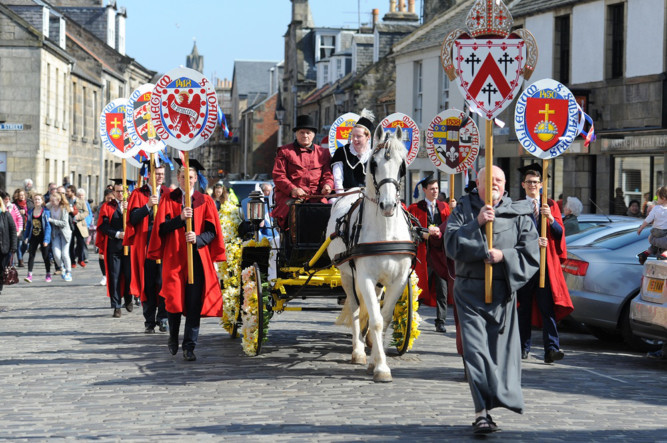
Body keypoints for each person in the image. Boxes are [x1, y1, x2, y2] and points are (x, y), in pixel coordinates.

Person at [444, 165, 539, 434]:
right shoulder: (464, 208)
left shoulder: (518, 212)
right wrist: (477, 224)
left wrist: (504, 256)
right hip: (469, 291)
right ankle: (481, 413)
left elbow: (531, 253)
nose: (495, 184)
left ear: (505, 184)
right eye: (489, 180)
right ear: (478, 182)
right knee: (476, 353)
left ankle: (494, 401)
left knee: (498, 357)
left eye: (499, 180)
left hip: (503, 293)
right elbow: (451, 244)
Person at [148, 160, 226, 361]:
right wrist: (180, 219)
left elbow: (212, 232)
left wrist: (198, 239)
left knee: (193, 302)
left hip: (196, 258)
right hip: (174, 257)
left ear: (195, 179)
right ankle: (173, 337)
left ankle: (189, 346)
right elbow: (161, 229)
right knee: (173, 300)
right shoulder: (168, 199)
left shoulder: (204, 200)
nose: (187, 181)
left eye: (190, 177)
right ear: (178, 178)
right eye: (183, 177)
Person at [516, 166, 573, 364]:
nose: (533, 185)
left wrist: (549, 218)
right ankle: (523, 347)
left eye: (536, 182)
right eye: (529, 182)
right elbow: (513, 236)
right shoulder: (517, 206)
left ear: (541, 185)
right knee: (523, 309)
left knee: (547, 308)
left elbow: (559, 233)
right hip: (525, 264)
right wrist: (532, 243)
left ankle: (551, 348)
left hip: (545, 266)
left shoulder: (549, 205)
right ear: (523, 185)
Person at [124, 163, 169, 333]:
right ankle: (149, 320)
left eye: (162, 174)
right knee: (148, 284)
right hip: (146, 245)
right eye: (157, 173)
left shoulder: (168, 193)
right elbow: (132, 218)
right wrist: (148, 206)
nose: (160, 177)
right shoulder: (138, 193)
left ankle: (163, 317)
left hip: (164, 245)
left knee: (163, 282)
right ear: (149, 174)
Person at [272, 114, 333, 229]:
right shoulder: (285, 151)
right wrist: (293, 189)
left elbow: (327, 174)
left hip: (316, 197)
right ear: (296, 134)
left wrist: (327, 185)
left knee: (329, 214)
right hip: (291, 197)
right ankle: (293, 242)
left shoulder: (323, 153)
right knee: (294, 213)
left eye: (308, 133)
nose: (305, 135)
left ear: (313, 135)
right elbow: (279, 176)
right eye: (302, 132)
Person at [408, 176, 452, 332]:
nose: (435, 192)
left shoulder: (445, 207)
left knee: (442, 288)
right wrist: (423, 235)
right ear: (424, 190)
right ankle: (411, 317)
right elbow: (411, 229)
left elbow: (451, 227)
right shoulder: (415, 208)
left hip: (439, 253)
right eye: (432, 189)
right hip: (422, 253)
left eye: (437, 189)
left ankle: (441, 320)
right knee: (418, 286)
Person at [98, 181, 132, 317]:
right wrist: (117, 234)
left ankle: (129, 298)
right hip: (114, 246)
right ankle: (116, 305)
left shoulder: (131, 205)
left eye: (122, 191)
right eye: (117, 191)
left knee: (129, 275)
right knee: (115, 276)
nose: (119, 194)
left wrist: (129, 210)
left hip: (129, 247)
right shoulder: (107, 206)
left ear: (127, 192)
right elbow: (103, 226)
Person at [331, 109, 374, 193]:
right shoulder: (341, 152)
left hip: (367, 196)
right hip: (344, 194)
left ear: (368, 137)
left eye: (359, 136)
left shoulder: (374, 154)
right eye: (353, 135)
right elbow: (337, 178)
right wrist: (341, 195)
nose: (354, 139)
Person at [23, 194, 51, 283]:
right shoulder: (31, 212)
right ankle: (29, 275)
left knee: (45, 256)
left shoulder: (46, 212)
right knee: (31, 255)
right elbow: (28, 226)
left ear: (42, 201)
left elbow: (48, 227)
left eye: (38, 199)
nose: (37, 201)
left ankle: (48, 273)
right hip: (34, 236)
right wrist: (26, 237)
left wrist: (46, 240)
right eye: (35, 199)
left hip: (43, 236)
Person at [637, 186, 667, 263]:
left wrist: (641, 228)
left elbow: (648, 219)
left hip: (654, 233)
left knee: (654, 246)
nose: (656, 199)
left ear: (663, 198)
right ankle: (664, 255)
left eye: (657, 197)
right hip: (665, 234)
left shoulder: (656, 208)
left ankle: (646, 253)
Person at [47, 191, 72, 282]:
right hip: (55, 233)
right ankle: (62, 268)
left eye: (53, 201)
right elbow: (43, 206)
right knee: (56, 254)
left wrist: (51, 220)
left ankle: (69, 272)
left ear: (58, 201)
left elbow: (64, 223)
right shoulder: (50, 207)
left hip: (65, 233)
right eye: (51, 201)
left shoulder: (63, 209)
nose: (52, 203)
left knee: (65, 254)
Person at [95, 189, 114, 286]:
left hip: (114, 234)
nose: (110, 200)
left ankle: (111, 275)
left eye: (112, 198)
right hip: (103, 233)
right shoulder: (102, 206)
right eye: (108, 198)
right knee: (101, 255)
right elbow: (98, 219)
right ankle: (104, 275)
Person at [67, 186, 89, 268]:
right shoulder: (66, 201)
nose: (67, 193)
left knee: (81, 243)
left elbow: (86, 212)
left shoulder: (80, 201)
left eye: (68, 191)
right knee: (71, 243)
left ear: (73, 192)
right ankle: (72, 261)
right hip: (70, 225)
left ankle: (81, 259)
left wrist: (79, 216)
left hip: (79, 224)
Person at [0, 196, 17, 295]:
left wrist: (13, 247)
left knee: (1, 268)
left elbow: (13, 231)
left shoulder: (6, 215)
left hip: (4, 248)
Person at [12, 189, 29, 267]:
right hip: (19, 226)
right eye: (20, 195)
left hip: (28, 226)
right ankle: (20, 260)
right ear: (17, 196)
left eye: (23, 195)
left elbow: (32, 212)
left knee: (26, 245)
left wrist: (26, 212)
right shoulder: (14, 204)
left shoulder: (29, 203)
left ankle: (20, 256)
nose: (22, 196)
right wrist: (19, 211)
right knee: (19, 243)